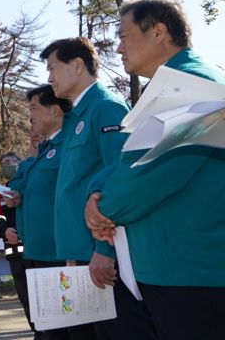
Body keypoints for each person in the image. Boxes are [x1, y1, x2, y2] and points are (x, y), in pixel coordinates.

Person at [86, 0, 225, 339]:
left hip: (191, 271)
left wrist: (102, 210)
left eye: (124, 35)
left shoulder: (193, 86)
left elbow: (149, 172)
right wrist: (95, 193)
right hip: (174, 265)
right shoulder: (171, 87)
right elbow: (125, 160)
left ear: (158, 32)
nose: (118, 48)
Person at [40, 38, 156, 339]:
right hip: (80, 254)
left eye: (53, 68)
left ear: (77, 66)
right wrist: (70, 253)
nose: (49, 78)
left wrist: (105, 250)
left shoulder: (106, 108)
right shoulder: (76, 117)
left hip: (101, 260)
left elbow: (120, 177)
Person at [7, 85, 74, 340]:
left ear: (55, 110)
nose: (30, 117)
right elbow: (21, 188)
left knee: (66, 328)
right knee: (47, 326)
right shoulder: (43, 153)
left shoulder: (68, 146)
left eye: (34, 108)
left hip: (57, 254)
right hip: (37, 252)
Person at [0, 152, 35, 336]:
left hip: (34, 251)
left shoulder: (29, 185)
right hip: (14, 253)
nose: (5, 166)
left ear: (20, 163)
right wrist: (4, 231)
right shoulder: (1, 192)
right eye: (2, 164)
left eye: (9, 162)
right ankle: (35, 330)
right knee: (25, 297)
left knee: (39, 294)